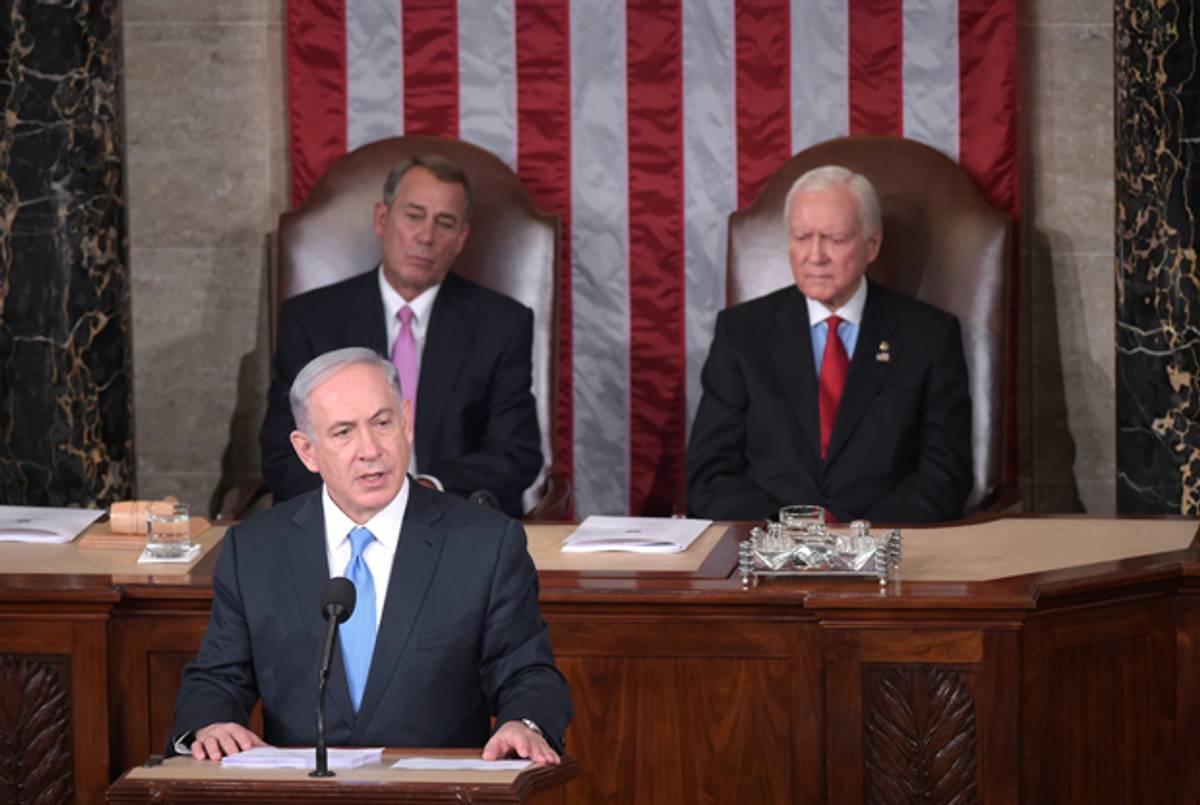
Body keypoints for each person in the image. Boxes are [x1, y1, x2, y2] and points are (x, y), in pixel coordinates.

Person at [173, 347, 571, 762]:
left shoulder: (485, 544)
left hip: (436, 794)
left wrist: (523, 723)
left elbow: (528, 672)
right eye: (343, 432)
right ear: (307, 450)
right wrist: (211, 722)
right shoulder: (254, 549)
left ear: (406, 421)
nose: (370, 449)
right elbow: (217, 678)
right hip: (303, 793)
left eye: (382, 423)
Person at [260, 154, 542, 518]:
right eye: (413, 215)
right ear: (382, 218)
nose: (426, 236)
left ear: (461, 239)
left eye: (445, 223)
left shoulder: (502, 324)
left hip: (454, 520)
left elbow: (514, 452)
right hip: (340, 520)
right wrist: (357, 502)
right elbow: (282, 450)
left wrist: (423, 492)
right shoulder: (313, 319)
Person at [685, 165, 972, 523]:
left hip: (889, 551)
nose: (815, 256)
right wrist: (791, 535)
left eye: (834, 239)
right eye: (802, 237)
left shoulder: (929, 335)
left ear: (872, 245)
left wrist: (859, 536)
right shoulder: (742, 333)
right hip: (768, 551)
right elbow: (709, 475)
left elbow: (945, 476)